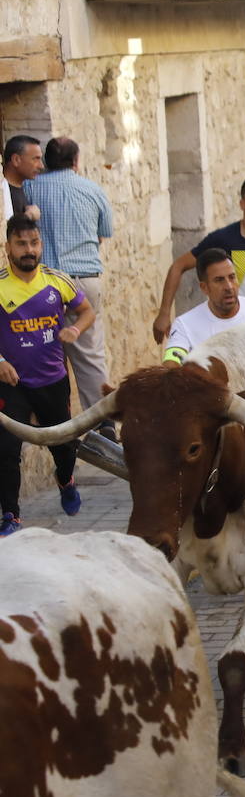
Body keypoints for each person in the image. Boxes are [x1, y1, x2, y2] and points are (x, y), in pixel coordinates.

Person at [0, 215, 96, 535]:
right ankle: (12, 516)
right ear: (8, 247)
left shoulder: (58, 281)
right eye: (21, 244)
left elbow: (87, 311)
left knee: (64, 446)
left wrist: (74, 329)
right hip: (12, 384)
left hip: (52, 380)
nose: (29, 250)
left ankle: (65, 479)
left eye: (34, 243)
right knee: (6, 449)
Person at [23, 137, 114, 414]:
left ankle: (53, 421)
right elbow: (103, 234)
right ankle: (103, 427)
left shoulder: (29, 188)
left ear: (46, 162)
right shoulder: (93, 190)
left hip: (44, 284)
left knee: (44, 353)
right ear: (76, 161)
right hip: (85, 278)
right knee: (90, 357)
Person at [153, 178, 245, 342]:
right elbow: (178, 266)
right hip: (237, 330)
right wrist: (164, 313)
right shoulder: (223, 239)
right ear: (242, 204)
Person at [163, 249, 245, 365]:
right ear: (204, 288)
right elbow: (172, 360)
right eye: (219, 280)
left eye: (232, 277)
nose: (229, 286)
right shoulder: (184, 325)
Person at [2, 135, 41, 222]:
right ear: (16, 160)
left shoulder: (21, 187)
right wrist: (28, 216)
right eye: (35, 159)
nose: (41, 166)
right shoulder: (3, 191)